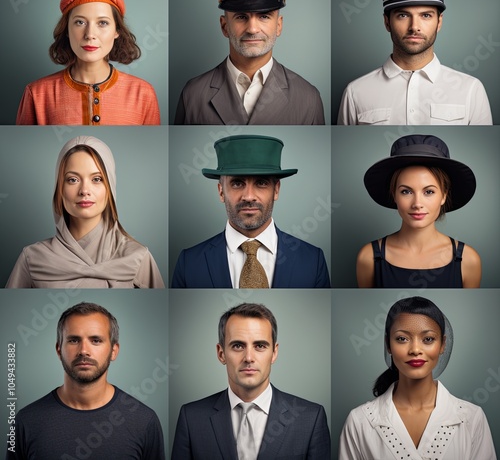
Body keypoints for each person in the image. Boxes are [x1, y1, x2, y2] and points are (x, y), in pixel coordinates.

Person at [339, 296, 497, 459]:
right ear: (388, 345)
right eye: (402, 339)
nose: (415, 349)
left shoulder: (472, 417)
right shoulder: (359, 421)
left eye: (428, 339)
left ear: (442, 344)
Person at [172, 302, 331, 459]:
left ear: (274, 353)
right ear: (221, 354)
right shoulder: (191, 418)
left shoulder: (311, 418)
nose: (248, 358)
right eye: (237, 346)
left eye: (260, 346)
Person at [8, 302, 165, 459]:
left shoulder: (144, 421)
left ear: (114, 351)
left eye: (96, 340)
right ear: (58, 350)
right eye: (74, 340)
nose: (83, 351)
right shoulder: (25, 421)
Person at [337, 0, 492, 125]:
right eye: (403, 15)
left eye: (426, 15)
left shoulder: (471, 90)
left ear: (439, 22)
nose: (414, 26)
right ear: (387, 22)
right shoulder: (356, 92)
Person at [171, 134, 330, 288]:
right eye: (237, 183)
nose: (248, 196)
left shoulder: (312, 260)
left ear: (276, 190)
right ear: (221, 191)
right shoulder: (189, 263)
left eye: (261, 183)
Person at [6, 135, 165, 288]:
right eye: (73, 180)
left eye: (97, 179)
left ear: (110, 187)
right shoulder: (32, 258)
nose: (84, 191)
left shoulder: (138, 257)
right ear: (59, 188)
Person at [174, 0, 325, 125]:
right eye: (241, 17)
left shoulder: (308, 98)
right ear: (224, 26)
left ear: (279, 26)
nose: (252, 29)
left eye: (264, 16)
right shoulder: (192, 94)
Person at [16, 0, 160, 125]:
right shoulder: (37, 94)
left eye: (102, 23)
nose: (90, 34)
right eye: (80, 22)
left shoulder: (143, 93)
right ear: (66, 29)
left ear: (117, 30)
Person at [356, 134, 481, 288]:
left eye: (428, 192)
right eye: (406, 192)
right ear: (393, 194)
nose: (417, 204)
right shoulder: (367, 257)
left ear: (444, 195)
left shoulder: (469, 259)